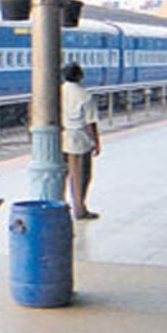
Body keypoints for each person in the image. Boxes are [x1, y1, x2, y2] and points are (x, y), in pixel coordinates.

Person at [60, 62, 101, 220]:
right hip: (79, 140)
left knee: (62, 174)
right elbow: (90, 123)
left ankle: (60, 204)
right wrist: (96, 142)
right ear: (80, 76)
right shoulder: (85, 95)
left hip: (61, 137)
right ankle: (79, 209)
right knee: (80, 176)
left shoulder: (58, 91)